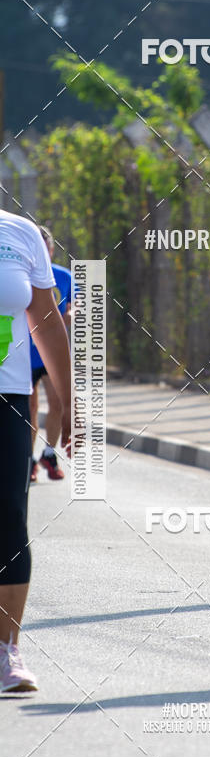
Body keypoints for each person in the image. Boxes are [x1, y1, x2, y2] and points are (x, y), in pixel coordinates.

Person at [0, 208, 71, 692]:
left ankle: (7, 652)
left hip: (7, 397)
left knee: (8, 518)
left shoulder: (19, 232)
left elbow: (46, 322)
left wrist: (67, 402)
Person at [29, 225, 72, 482]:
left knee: (56, 403)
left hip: (53, 352)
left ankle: (48, 454)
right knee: (31, 408)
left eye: (47, 249)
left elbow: (75, 308)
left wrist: (67, 317)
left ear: (53, 250)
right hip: (27, 354)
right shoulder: (22, 275)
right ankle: (29, 459)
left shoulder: (63, 276)